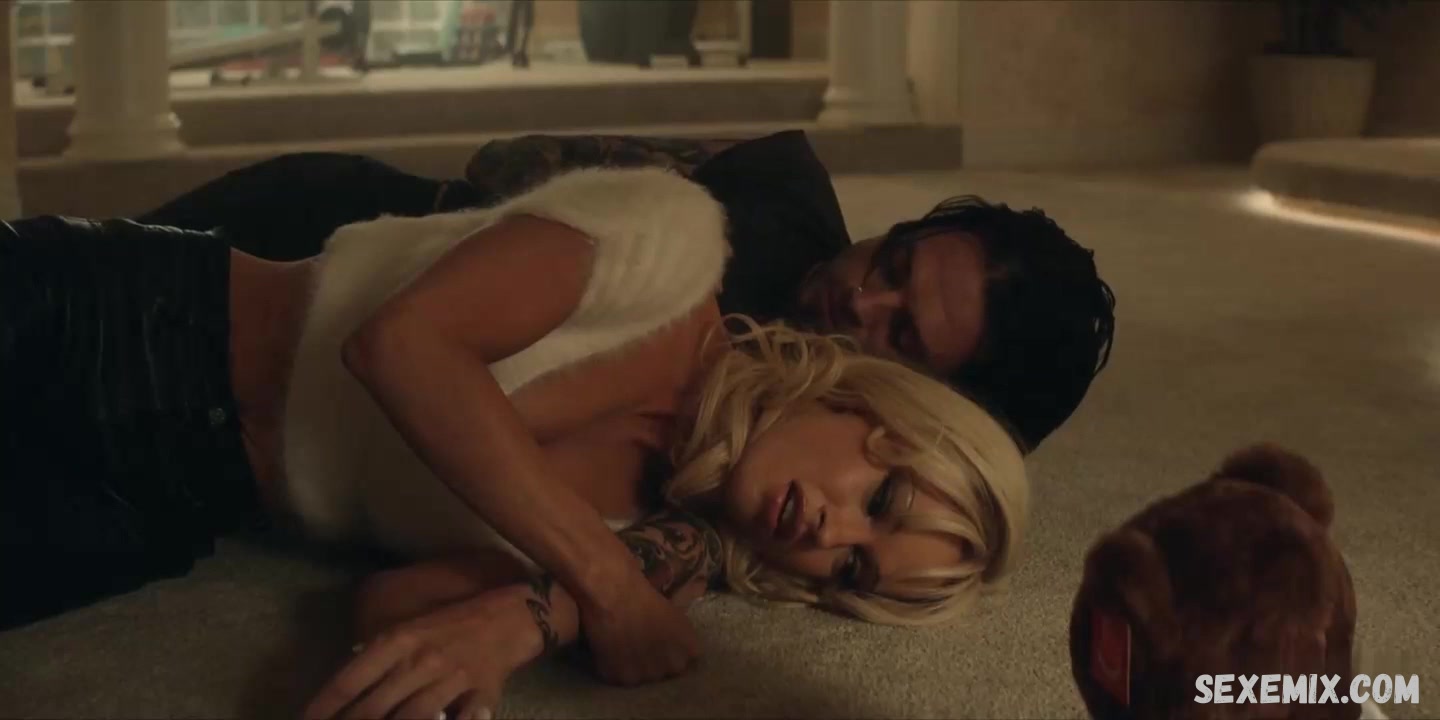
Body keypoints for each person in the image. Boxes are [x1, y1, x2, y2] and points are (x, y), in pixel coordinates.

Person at [1, 167, 1026, 717]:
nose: (831, 532)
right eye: (881, 503)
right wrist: (604, 586)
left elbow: (390, 607)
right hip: (118, 317)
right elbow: (400, 346)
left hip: (172, 502)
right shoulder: (672, 246)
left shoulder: (645, 540)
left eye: (853, 569)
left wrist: (520, 631)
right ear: (874, 412)